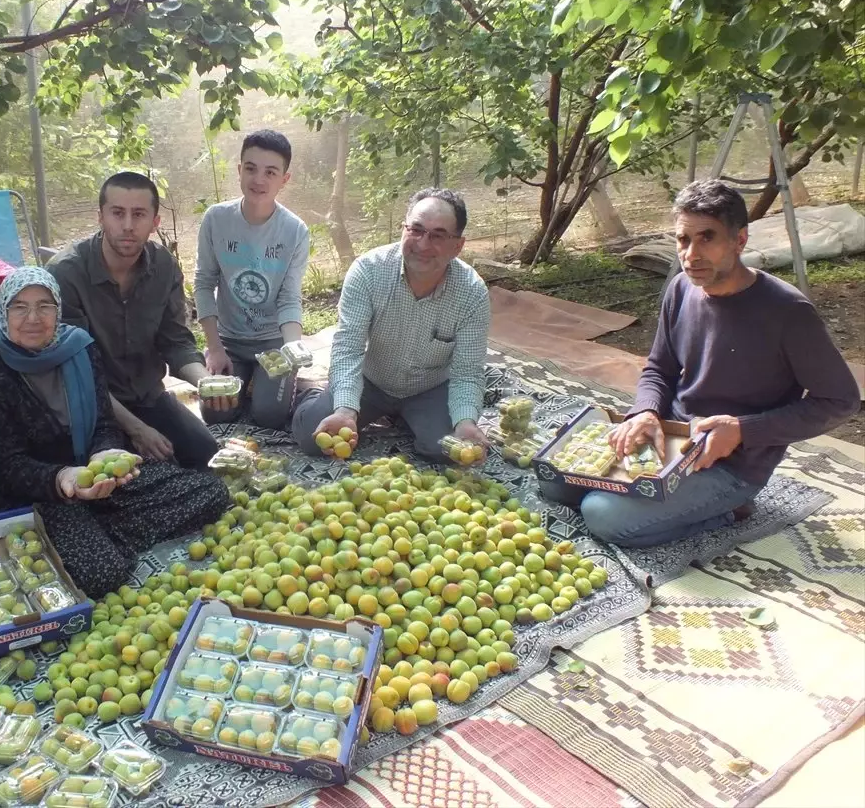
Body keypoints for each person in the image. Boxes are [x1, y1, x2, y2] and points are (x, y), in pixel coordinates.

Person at [540, 179, 859, 547]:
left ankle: (730, 510)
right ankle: (667, 501)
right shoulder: (680, 288)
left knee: (603, 514)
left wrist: (742, 429)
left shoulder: (788, 312)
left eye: (707, 238)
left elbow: (840, 400)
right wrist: (645, 413)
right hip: (674, 438)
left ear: (740, 240)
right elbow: (659, 368)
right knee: (553, 479)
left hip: (732, 465)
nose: (691, 254)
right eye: (683, 240)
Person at [0, 267, 228, 598]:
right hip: (35, 493)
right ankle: (90, 537)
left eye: (44, 306)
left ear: (57, 310)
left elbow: (103, 422)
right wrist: (62, 478)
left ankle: (97, 532)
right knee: (102, 574)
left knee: (209, 491)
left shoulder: (78, 348)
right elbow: (0, 464)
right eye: (19, 306)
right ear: (2, 311)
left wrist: (104, 452)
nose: (33, 317)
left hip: (95, 476)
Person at [292, 188, 491, 460]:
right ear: (403, 229)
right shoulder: (368, 271)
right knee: (312, 439)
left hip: (429, 388)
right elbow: (348, 348)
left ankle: (415, 415)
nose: (423, 244)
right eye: (416, 230)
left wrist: (465, 421)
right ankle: (315, 395)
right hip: (371, 381)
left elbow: (467, 371)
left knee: (448, 451)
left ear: (458, 245)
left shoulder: (472, 292)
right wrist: (345, 409)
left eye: (438, 235)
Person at [48, 171, 219, 469]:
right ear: (100, 216)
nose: (127, 226)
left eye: (139, 214)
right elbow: (76, 375)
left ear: (155, 222)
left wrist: (207, 383)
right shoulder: (66, 274)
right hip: (91, 407)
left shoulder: (164, 266)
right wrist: (137, 430)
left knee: (206, 453)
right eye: (117, 213)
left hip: (148, 396)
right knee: (126, 477)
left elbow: (176, 341)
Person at [194, 129, 310, 429]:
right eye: (251, 168)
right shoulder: (216, 219)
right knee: (216, 414)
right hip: (229, 340)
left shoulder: (295, 230)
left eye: (270, 172)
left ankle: (291, 385)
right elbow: (204, 282)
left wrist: (292, 349)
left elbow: (288, 296)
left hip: (272, 341)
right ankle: (245, 376)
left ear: (284, 179)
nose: (259, 180)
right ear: (239, 170)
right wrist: (216, 348)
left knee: (269, 416)